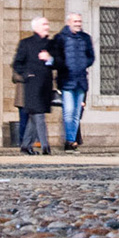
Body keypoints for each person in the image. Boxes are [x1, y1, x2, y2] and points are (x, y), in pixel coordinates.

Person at [14, 17, 58, 155]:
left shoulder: (51, 44)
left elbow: (59, 62)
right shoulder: (26, 43)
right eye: (44, 24)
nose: (47, 27)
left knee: (34, 118)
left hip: (45, 85)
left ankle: (25, 146)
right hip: (32, 86)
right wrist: (27, 75)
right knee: (38, 116)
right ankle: (46, 147)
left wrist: (49, 59)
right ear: (36, 27)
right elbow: (17, 63)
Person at [56, 12, 96, 151]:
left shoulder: (85, 38)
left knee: (76, 113)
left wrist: (82, 64)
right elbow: (57, 58)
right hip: (67, 80)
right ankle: (70, 140)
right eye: (75, 21)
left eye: (79, 21)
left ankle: (71, 140)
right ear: (69, 22)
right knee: (68, 111)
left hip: (80, 80)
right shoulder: (60, 38)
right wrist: (65, 66)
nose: (78, 23)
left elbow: (91, 57)